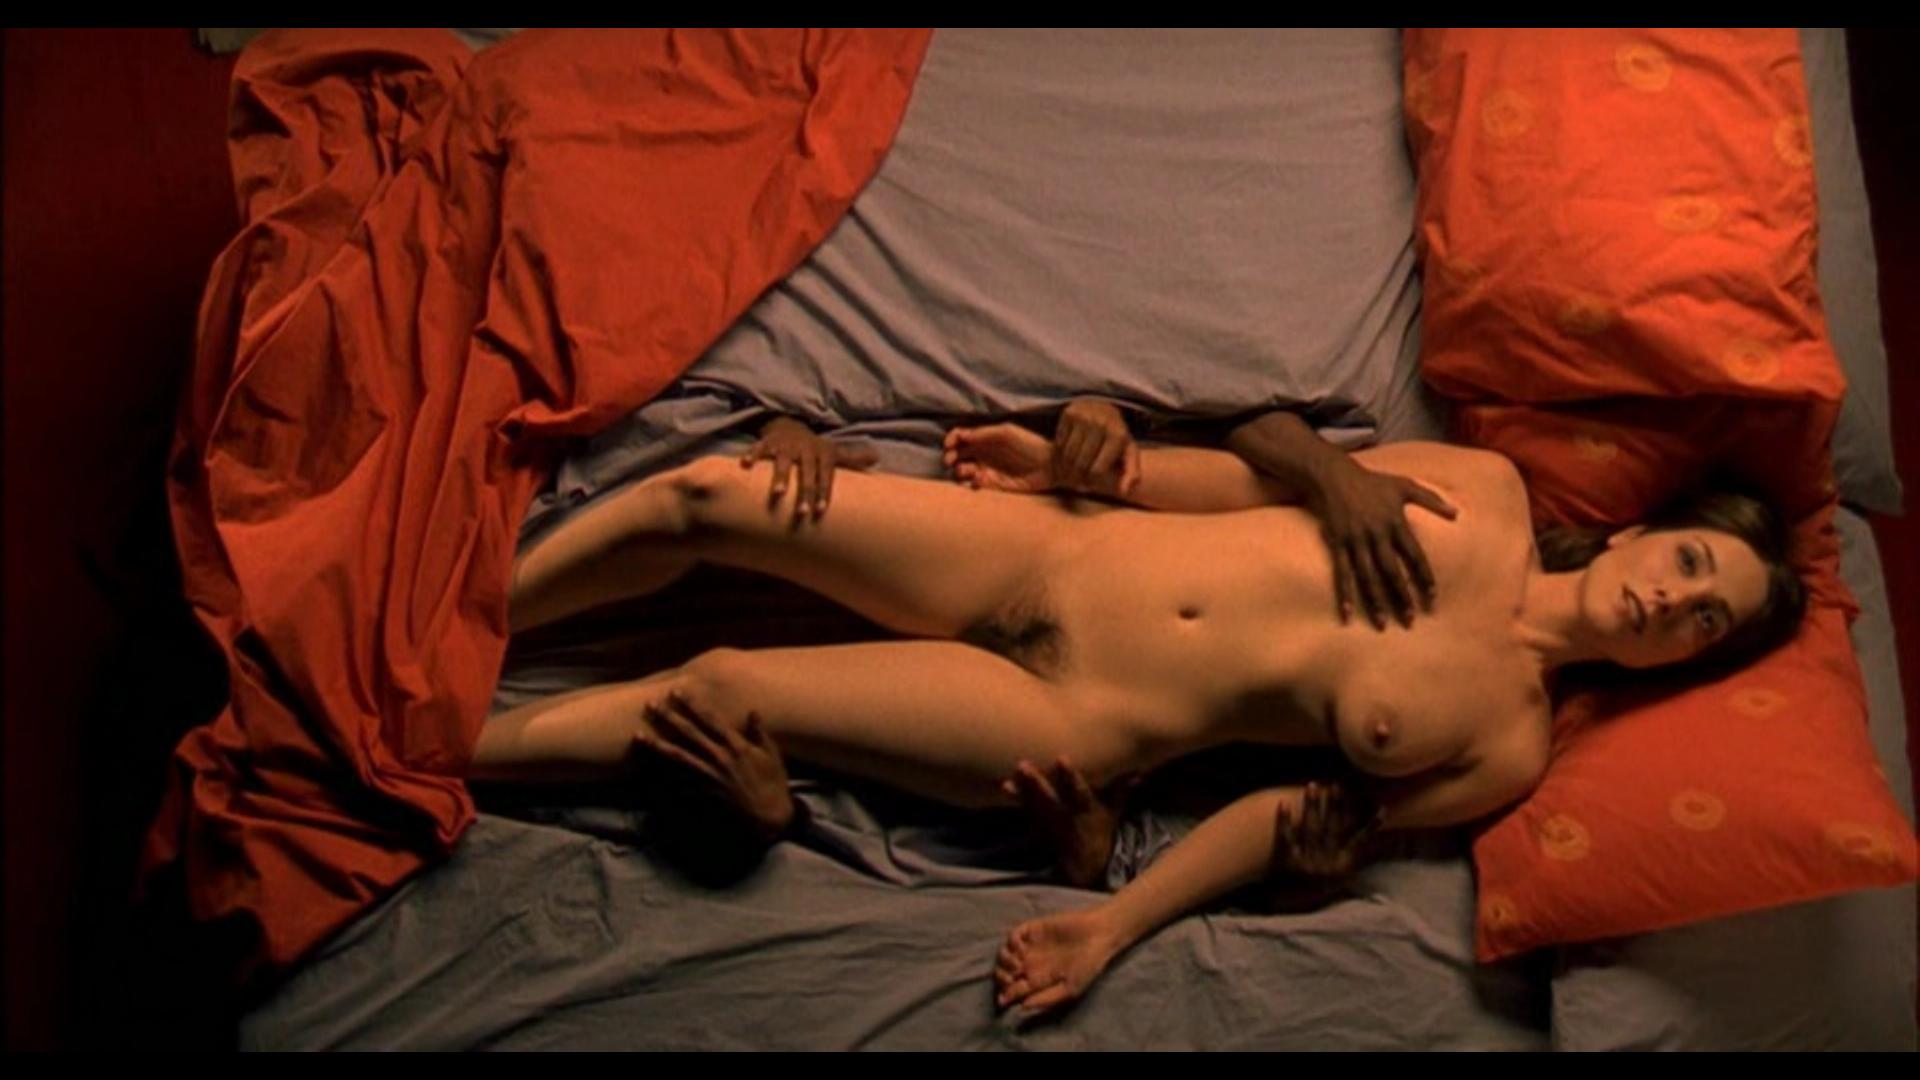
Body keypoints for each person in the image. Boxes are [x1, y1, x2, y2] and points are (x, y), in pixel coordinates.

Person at [474, 402, 1805, 1017]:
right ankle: (461, 626)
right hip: (1049, 553)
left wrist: (1110, 926)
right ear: (1644, 532)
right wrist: (1094, 463)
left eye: (1705, 622)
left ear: (1678, 663)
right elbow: (1238, 479)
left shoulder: (1506, 747)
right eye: (1691, 564)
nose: (1672, 602)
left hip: (1070, 715)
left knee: (725, 690)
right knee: (710, 497)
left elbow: (1290, 822)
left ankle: (438, 749)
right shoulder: (1487, 494)